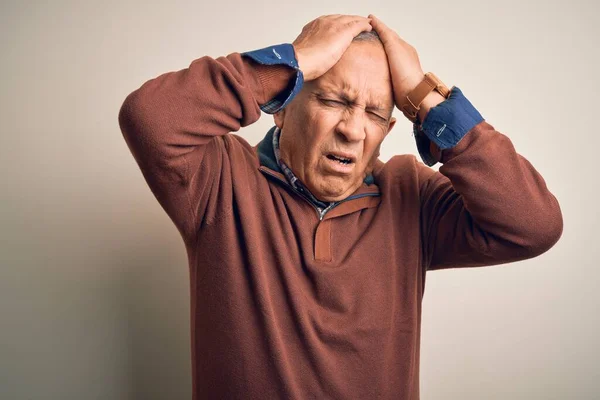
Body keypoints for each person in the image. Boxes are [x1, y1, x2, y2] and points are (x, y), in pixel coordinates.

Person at [118, 14, 563, 400]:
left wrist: (427, 99)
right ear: (282, 107)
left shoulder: (412, 196)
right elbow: (149, 118)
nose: (353, 130)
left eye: (373, 114)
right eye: (334, 100)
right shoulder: (220, 180)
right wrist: (290, 60)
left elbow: (534, 225)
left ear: (389, 129)